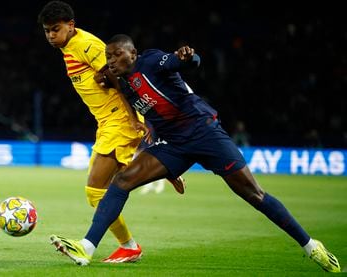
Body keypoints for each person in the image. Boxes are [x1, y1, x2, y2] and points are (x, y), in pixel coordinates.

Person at [47, 33, 341, 273]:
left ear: (132, 53)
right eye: (107, 57)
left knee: (254, 195)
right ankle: (86, 248)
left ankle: (311, 246)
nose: (110, 61)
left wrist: (190, 58)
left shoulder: (150, 60)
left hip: (205, 134)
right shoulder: (127, 86)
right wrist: (167, 167)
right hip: (175, 145)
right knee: (121, 181)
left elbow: (181, 62)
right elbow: (155, 118)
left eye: (115, 55)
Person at [37, 2, 185, 263]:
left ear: (70, 26)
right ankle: (165, 166)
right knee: (113, 185)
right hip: (107, 122)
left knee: (95, 191)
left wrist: (136, 118)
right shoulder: (69, 47)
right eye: (47, 31)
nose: (50, 35)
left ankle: (114, 246)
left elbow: (121, 77)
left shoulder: (86, 45)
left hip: (119, 121)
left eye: (55, 29)